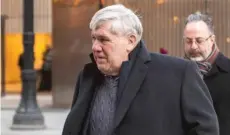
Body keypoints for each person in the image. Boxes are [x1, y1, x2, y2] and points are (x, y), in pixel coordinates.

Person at [62, 4, 219, 135]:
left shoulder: (178, 73)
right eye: (94, 39)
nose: (95, 47)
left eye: (103, 39)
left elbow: (206, 129)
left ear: (131, 41)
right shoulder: (87, 76)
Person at [182, 13, 230, 135]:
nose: (193, 46)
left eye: (199, 41)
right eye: (188, 41)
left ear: (212, 40)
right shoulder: (177, 73)